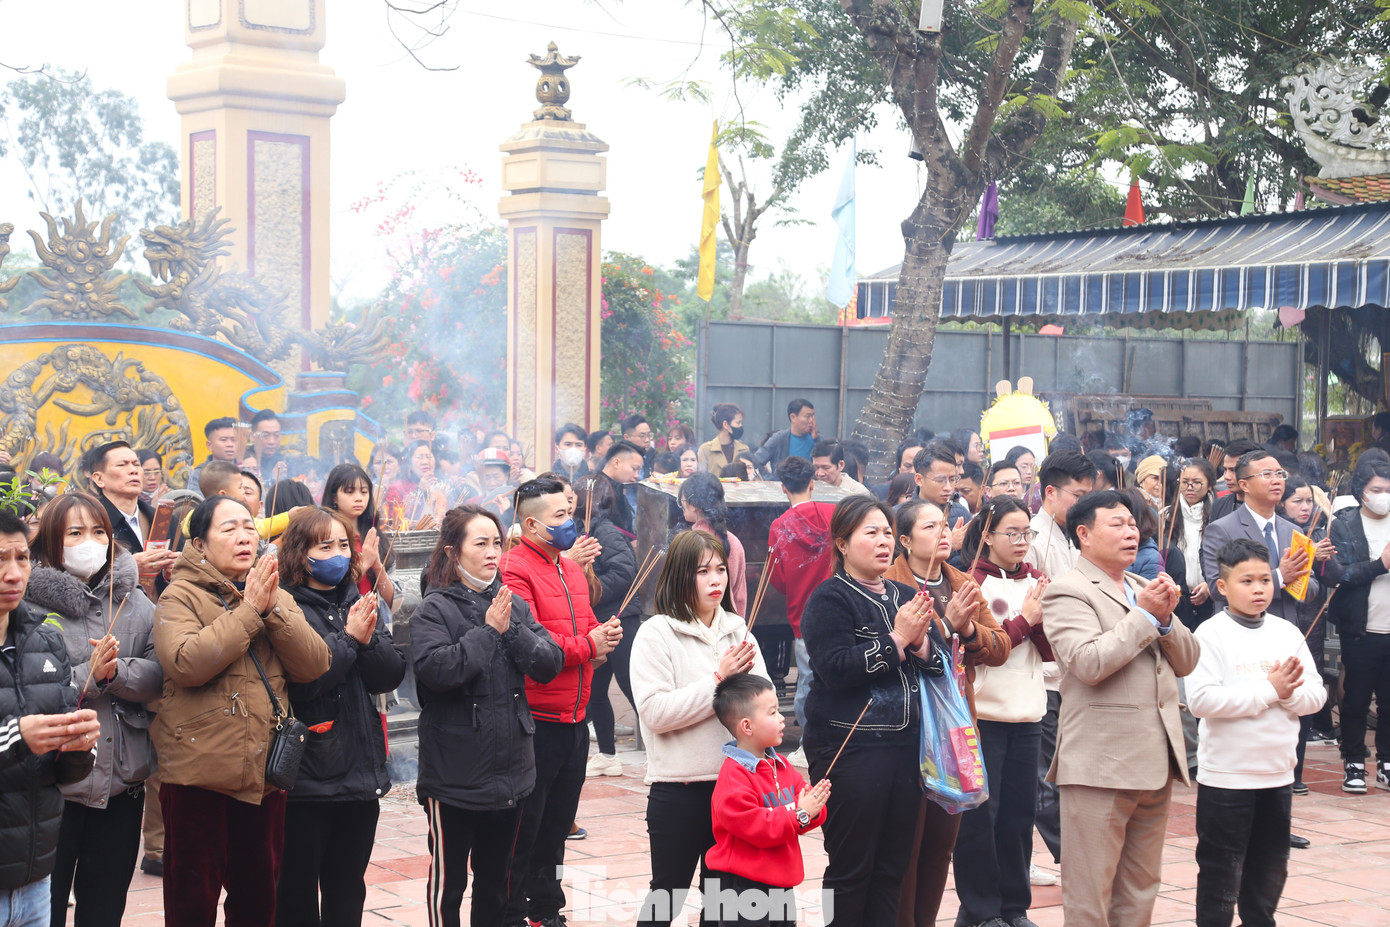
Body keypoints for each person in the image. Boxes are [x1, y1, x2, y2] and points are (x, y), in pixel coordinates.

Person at [152, 496, 331, 927]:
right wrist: (249, 610)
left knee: (257, 901)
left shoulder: (270, 589)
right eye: (228, 529)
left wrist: (269, 610)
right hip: (198, 777)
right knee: (191, 901)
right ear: (200, 542)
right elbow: (186, 663)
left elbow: (315, 664)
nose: (244, 537)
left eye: (249, 528)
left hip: (262, 778)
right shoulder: (179, 596)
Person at [1040, 490, 1199, 927]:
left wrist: (1165, 620)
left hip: (1153, 761)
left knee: (1140, 887)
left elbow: (1187, 659)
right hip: (1099, 766)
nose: (1131, 532)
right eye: (1118, 524)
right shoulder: (1066, 591)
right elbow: (1088, 663)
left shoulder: (1140, 586)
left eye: (1133, 524)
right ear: (1084, 534)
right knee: (1090, 893)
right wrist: (1144, 618)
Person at [410, 506, 563, 927]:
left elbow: (549, 662)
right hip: (454, 774)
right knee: (449, 885)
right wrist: (488, 631)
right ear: (452, 551)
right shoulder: (434, 609)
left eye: (497, 542)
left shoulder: (509, 604)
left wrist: (509, 628)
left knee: (498, 883)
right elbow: (437, 672)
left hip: (512, 770)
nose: (492, 552)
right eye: (480, 543)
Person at [800, 496, 946, 927]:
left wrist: (919, 642)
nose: (884, 542)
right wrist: (898, 640)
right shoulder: (829, 599)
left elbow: (937, 665)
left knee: (892, 869)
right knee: (850, 869)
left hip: (906, 750)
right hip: (850, 749)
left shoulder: (905, 594)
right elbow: (835, 669)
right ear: (842, 543)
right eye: (871, 533)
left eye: (887, 532)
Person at [25, 494, 159, 927]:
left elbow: (161, 675)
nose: (91, 542)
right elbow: (27, 690)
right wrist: (89, 674)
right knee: (44, 906)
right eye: (76, 533)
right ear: (50, 543)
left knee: (104, 907)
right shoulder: (27, 608)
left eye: (99, 531)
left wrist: (115, 673)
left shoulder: (134, 601)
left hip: (121, 782)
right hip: (50, 784)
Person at [275, 508, 406, 927]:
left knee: (348, 885)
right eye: (324, 545)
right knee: (295, 889)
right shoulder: (286, 606)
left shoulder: (354, 596)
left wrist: (364, 639)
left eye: (343, 545)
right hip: (309, 774)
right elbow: (308, 680)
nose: (337, 553)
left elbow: (388, 674)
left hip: (359, 771)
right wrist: (349, 638)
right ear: (300, 553)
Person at [630, 529, 767, 927]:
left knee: (724, 901)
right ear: (680, 575)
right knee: (666, 897)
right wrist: (718, 680)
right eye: (702, 571)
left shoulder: (738, 629)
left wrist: (754, 709)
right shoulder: (656, 633)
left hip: (736, 790)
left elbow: (762, 705)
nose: (715, 580)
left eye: (721, 570)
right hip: (679, 789)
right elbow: (655, 714)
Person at [501, 478, 623, 927]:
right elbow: (534, 645)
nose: (568, 523)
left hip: (576, 715)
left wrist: (603, 635)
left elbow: (587, 624)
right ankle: (511, 912)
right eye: (559, 516)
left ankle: (547, 910)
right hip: (535, 717)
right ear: (530, 523)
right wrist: (588, 645)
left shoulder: (570, 569)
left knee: (557, 826)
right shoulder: (513, 569)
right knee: (524, 828)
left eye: (568, 513)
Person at [1187, 538, 1326, 927]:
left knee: (1269, 869)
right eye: (1246, 581)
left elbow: (1316, 694)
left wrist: (1287, 696)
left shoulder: (1286, 631)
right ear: (1222, 587)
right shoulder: (1211, 634)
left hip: (1277, 773)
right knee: (1220, 871)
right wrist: (1269, 691)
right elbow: (1202, 701)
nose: (1259, 589)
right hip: (1228, 777)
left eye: (1265, 580)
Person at [885, 499, 1008, 927]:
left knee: (941, 845)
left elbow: (999, 647)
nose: (942, 534)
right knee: (907, 843)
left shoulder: (961, 581)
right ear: (903, 540)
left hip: (955, 726)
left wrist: (969, 627)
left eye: (945, 525)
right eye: (929, 526)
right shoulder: (888, 584)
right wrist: (946, 625)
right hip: (910, 724)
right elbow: (893, 649)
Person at [0, 507, 100, 927]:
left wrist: (78, 747)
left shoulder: (45, 639)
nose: (13, 574)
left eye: (21, 558)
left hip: (35, 873)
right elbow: (19, 739)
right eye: (0, 560)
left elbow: (65, 771)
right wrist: (16, 737)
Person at [955, 496, 1051, 927]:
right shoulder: (973, 583)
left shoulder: (1037, 580)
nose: (1021, 542)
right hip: (986, 717)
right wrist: (1026, 618)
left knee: (1018, 815)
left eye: (1027, 533)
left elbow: (1050, 653)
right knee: (981, 818)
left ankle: (1014, 907)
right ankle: (981, 910)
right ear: (988, 534)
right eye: (1011, 533)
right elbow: (980, 651)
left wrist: (1043, 617)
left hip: (1029, 713)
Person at [1023, 450, 1097, 878]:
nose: (1084, 503)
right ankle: (1069, 853)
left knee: (1058, 767)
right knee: (1044, 771)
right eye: (1078, 494)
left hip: (1068, 673)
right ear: (1050, 492)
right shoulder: (1033, 538)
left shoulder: (1069, 534)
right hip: (1045, 672)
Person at [706, 673, 830, 927]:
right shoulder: (734, 775)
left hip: (781, 880)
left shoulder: (782, 765)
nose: (782, 718)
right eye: (772, 713)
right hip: (742, 885)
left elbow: (804, 814)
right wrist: (800, 813)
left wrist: (814, 807)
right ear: (747, 726)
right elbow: (758, 828)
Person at [1325, 452, 1390, 794]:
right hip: (1361, 628)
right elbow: (1339, 575)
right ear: (1362, 490)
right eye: (1378, 488)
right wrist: (1381, 564)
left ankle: (1387, 763)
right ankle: (1353, 762)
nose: (1384, 496)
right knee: (1356, 700)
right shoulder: (1345, 524)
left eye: (1389, 489)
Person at [1201, 450, 1323, 621]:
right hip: (1244, 629)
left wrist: (1295, 579)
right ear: (1244, 485)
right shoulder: (1222, 529)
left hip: (1285, 630)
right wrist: (1280, 576)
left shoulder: (1293, 530)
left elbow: (1311, 589)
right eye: (1267, 475)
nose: (1276, 480)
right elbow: (1216, 587)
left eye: (1280, 474)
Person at [577, 475, 642, 778]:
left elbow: (625, 571)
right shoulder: (583, 530)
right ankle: (607, 755)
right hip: (598, 621)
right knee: (595, 691)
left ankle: (660, 752)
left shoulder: (605, 531)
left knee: (633, 687)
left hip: (620, 618)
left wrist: (594, 588)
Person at [768, 456, 836, 736]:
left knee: (807, 679)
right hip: (838, 610)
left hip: (803, 615)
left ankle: (809, 738)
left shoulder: (779, 526)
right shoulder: (834, 514)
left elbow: (779, 580)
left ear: (783, 487)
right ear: (812, 483)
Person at [1279, 476, 1337, 786]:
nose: (1305, 507)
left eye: (1308, 501)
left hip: (1310, 619)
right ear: (1282, 503)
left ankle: (1296, 771)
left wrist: (1320, 560)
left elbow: (1323, 581)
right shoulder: (1279, 533)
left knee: (1303, 687)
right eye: (1297, 501)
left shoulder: (1320, 529)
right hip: (1281, 615)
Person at [82, 441, 178, 584]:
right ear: (99, 479)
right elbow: (83, 575)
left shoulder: (164, 519)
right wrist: (129, 567)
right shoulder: (91, 522)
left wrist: (179, 566)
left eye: (136, 464)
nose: (133, 470)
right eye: (122, 464)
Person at [323, 463, 395, 608]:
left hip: (376, 622)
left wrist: (377, 566)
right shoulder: (324, 536)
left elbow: (392, 601)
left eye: (364, 492)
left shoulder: (374, 536)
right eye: (350, 492)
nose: (358, 498)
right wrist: (364, 564)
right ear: (334, 497)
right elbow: (330, 588)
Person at [679, 472, 748, 617]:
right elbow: (739, 597)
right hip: (729, 624)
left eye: (682, 500)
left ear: (692, 505)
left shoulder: (688, 542)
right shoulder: (734, 541)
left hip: (695, 622)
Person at [1170, 459, 1217, 629]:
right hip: (1177, 596)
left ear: (1210, 485)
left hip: (1211, 596)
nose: (1190, 487)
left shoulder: (1219, 515)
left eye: (1197, 483)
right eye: (1185, 482)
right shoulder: (1167, 516)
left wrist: (1210, 585)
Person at [914, 444, 967, 551]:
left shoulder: (961, 513)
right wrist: (950, 545)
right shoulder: (901, 516)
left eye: (952, 480)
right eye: (940, 480)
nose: (948, 488)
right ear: (919, 479)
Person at [751, 399, 817, 473]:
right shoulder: (779, 439)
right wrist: (770, 479)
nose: (811, 421)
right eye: (808, 416)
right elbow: (755, 461)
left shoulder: (816, 439)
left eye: (813, 416)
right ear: (793, 417)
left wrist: (816, 441)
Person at [599, 441, 645, 535]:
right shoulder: (599, 489)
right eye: (634, 468)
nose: (636, 476)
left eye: (638, 471)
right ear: (616, 463)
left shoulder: (616, 487)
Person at [1209, 438, 1261, 521]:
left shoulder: (1269, 505)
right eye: (1225, 470)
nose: (1226, 476)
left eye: (1233, 470)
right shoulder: (1220, 505)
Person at [699, 403, 749, 474]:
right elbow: (701, 478)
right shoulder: (705, 449)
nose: (740, 426)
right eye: (738, 423)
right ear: (725, 424)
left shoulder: (744, 449)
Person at [249, 409, 287, 480]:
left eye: (276, 435)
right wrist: (272, 479)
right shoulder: (244, 461)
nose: (271, 441)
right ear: (252, 436)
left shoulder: (285, 461)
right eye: (265, 435)